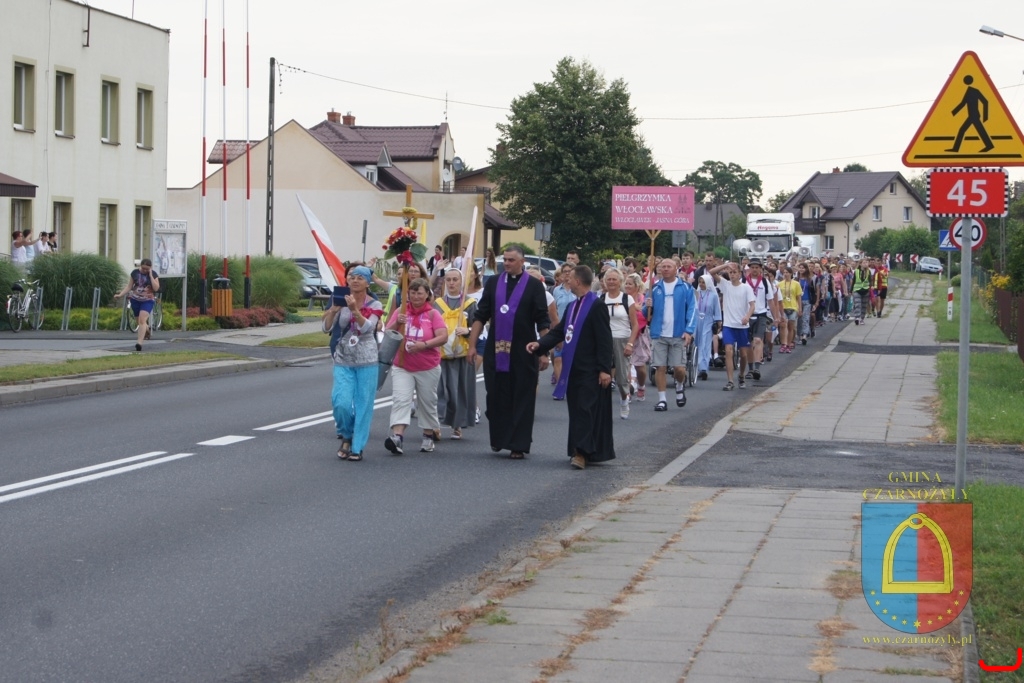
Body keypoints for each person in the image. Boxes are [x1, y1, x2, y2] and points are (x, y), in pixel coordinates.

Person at [468, 245, 550, 459]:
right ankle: (499, 439)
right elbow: (481, 315)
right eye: (504, 259)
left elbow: (542, 320)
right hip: (495, 350)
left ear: (522, 262)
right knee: (495, 395)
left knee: (522, 396)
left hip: (524, 350)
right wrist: (472, 345)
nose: (506, 263)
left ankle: (518, 444)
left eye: (511, 260)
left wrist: (544, 351)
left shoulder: (534, 286)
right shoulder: (493, 282)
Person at [527, 265, 613, 470]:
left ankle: (582, 453)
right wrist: (540, 344)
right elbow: (560, 332)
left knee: (585, 409)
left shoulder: (596, 306)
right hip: (573, 366)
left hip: (590, 368)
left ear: (578, 281)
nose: (567, 279)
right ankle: (578, 448)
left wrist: (604, 369)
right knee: (576, 410)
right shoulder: (574, 305)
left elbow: (604, 340)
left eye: (570, 277)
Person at [323, 266, 382, 461]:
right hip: (343, 359)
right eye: (352, 277)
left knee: (363, 405)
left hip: (367, 360)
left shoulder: (375, 303)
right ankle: (346, 435)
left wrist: (355, 310)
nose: (355, 281)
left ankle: (357, 447)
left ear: (368, 283)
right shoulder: (340, 299)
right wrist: (333, 310)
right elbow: (326, 328)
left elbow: (368, 328)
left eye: (360, 278)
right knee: (341, 402)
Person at [384, 278, 447, 454]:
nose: (416, 296)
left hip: (427, 366)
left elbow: (443, 337)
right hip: (402, 365)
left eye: (420, 293)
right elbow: (388, 332)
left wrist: (424, 345)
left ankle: (428, 435)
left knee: (427, 401)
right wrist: (397, 322)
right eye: (412, 293)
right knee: (401, 399)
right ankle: (397, 437)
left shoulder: (433, 314)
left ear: (427, 295)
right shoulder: (401, 311)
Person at [647, 257, 696, 412]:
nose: (666, 269)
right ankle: (662, 400)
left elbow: (692, 310)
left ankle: (680, 385)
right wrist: (647, 306)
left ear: (676, 269)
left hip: (678, 334)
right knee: (660, 367)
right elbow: (646, 313)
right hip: (659, 334)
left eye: (669, 266)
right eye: (663, 267)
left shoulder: (685, 287)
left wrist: (688, 330)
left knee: (679, 369)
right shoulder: (654, 288)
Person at [434, 270, 477, 440]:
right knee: (439, 390)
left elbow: (479, 327)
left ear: (461, 282)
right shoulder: (438, 304)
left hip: (461, 353)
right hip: (441, 353)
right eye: (448, 280)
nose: (451, 283)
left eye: (455, 280)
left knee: (459, 390)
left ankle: (457, 425)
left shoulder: (470, 303)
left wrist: (468, 330)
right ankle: (435, 424)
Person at [600, 268, 639, 419]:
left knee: (622, 378)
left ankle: (624, 399)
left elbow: (634, 325)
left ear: (620, 282)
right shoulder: (601, 299)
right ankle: (602, 407)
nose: (611, 282)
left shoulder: (627, 299)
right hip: (605, 340)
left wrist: (630, 344)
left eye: (614, 279)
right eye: (608, 279)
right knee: (602, 374)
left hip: (622, 339)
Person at [717, 262, 755, 390]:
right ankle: (730, 381)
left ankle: (741, 375)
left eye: (734, 272)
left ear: (740, 274)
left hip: (742, 326)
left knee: (743, 354)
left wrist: (747, 316)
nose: (732, 275)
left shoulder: (746, 288)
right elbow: (711, 273)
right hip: (728, 325)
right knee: (728, 350)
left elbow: (752, 305)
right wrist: (725, 265)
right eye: (730, 272)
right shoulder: (725, 285)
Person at [114, 258, 160, 352]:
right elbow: (129, 286)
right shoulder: (135, 273)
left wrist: (150, 276)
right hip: (135, 300)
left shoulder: (153, 274)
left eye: (147, 269)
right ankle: (147, 330)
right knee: (139, 322)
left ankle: (139, 343)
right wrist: (120, 295)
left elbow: (156, 288)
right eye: (143, 268)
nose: (145, 270)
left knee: (142, 320)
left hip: (147, 300)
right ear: (140, 266)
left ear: (150, 268)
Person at [742, 259, 777, 382]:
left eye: (757, 267)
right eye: (752, 267)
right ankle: (750, 368)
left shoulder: (765, 282)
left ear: (761, 269)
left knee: (757, 340)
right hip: (747, 315)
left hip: (761, 314)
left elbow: (770, 301)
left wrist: (776, 317)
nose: (755, 270)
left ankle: (757, 367)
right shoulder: (744, 281)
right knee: (748, 343)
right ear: (749, 269)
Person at [624, 273, 650, 400]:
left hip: (639, 335)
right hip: (625, 334)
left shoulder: (643, 299)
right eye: (626, 283)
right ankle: (628, 390)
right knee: (626, 364)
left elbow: (645, 316)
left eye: (630, 284)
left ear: (637, 286)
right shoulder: (622, 298)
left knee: (640, 367)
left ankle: (641, 385)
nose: (627, 286)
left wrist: (644, 308)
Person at [550, 264, 576, 388]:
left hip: (574, 328)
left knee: (571, 359)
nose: (567, 273)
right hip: (560, 327)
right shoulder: (556, 290)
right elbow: (553, 310)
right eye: (564, 271)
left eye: (569, 271)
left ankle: (570, 383)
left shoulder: (577, 289)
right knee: (558, 358)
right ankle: (561, 387)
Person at [694, 272, 722, 381]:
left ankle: (704, 368)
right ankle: (697, 366)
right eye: (700, 282)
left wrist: (718, 322)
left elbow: (717, 310)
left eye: (703, 282)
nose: (701, 284)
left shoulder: (713, 296)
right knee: (697, 343)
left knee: (705, 344)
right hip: (697, 321)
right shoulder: (696, 294)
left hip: (708, 321)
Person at [777, 266, 802, 353]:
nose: (785, 274)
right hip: (783, 307)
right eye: (784, 272)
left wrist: (800, 308)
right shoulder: (779, 284)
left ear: (791, 273)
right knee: (783, 325)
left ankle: (788, 344)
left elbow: (798, 297)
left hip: (793, 307)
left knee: (791, 327)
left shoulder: (796, 284)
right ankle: (783, 344)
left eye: (787, 272)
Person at [852, 260, 872, 324]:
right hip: (857, 290)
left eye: (866, 262)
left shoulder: (868, 271)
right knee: (857, 304)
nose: (865, 264)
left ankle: (862, 318)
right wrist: (851, 290)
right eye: (864, 263)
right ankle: (857, 317)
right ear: (860, 264)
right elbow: (853, 280)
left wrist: (871, 287)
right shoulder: (856, 271)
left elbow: (870, 280)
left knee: (864, 306)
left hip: (865, 290)